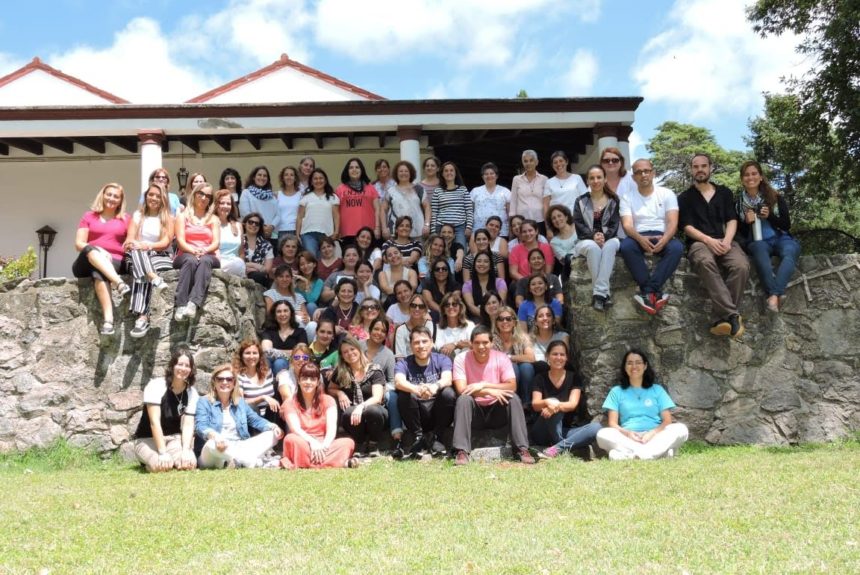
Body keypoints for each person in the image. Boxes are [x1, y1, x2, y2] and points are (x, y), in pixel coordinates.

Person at [679, 153, 750, 338]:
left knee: (741, 266)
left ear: (711, 167)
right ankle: (732, 315)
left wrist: (726, 241)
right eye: (696, 166)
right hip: (699, 242)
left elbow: (732, 220)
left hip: (725, 239)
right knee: (704, 262)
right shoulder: (685, 197)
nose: (700, 169)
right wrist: (709, 241)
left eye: (703, 166)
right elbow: (686, 227)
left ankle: (723, 319)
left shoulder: (724, 192)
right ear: (691, 170)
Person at [451, 326, 536, 465]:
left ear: (491, 343)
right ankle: (461, 451)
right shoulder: (461, 358)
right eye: (477, 343)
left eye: (485, 342)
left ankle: (521, 449)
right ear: (471, 344)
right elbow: (462, 389)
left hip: (497, 411)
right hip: (475, 412)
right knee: (463, 399)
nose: (481, 346)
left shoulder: (501, 358)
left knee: (512, 397)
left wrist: (483, 384)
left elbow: (512, 386)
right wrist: (490, 391)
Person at [596, 349, 689, 460]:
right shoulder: (616, 391)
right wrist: (628, 433)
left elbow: (667, 421)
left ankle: (629, 455)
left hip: (656, 436)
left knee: (681, 429)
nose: (634, 366)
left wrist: (651, 434)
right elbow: (612, 424)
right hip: (628, 437)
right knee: (603, 434)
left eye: (638, 362)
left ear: (645, 366)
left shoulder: (657, 390)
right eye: (629, 363)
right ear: (625, 367)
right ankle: (657, 454)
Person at [618, 159, 684, 315]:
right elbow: (627, 225)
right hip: (638, 236)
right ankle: (654, 292)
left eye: (647, 171)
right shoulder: (627, 197)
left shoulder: (667, 193)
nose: (643, 175)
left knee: (677, 248)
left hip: (662, 234)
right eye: (639, 172)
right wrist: (640, 239)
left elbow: (672, 222)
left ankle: (648, 291)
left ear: (653, 173)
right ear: (633, 177)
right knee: (626, 246)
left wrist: (665, 239)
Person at [734, 160, 800, 312]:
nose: (750, 177)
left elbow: (786, 224)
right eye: (746, 175)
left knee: (791, 251)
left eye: (754, 174)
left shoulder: (775, 197)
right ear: (742, 179)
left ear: (761, 177)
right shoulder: (738, 203)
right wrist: (746, 222)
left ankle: (773, 295)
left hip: (780, 238)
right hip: (758, 242)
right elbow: (739, 232)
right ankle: (776, 294)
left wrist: (769, 216)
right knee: (759, 251)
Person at [195, 363, 283, 469]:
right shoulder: (204, 402)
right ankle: (255, 462)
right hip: (215, 451)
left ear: (234, 383)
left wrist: (273, 426)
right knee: (210, 444)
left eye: (229, 379)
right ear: (214, 382)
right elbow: (201, 426)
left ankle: (239, 462)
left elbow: (255, 420)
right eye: (220, 379)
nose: (224, 382)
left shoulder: (240, 402)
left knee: (272, 434)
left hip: (239, 446)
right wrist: (215, 436)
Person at [73, 182, 131, 336]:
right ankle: (119, 283)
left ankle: (108, 320)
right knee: (90, 250)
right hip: (86, 260)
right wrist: (98, 249)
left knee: (98, 272)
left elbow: (131, 242)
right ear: (103, 195)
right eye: (109, 194)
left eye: (116, 196)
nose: (112, 198)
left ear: (120, 200)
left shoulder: (125, 219)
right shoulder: (89, 216)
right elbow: (79, 244)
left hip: (114, 261)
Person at [531, 341, 601, 458]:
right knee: (554, 410)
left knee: (596, 427)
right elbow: (535, 404)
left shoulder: (574, 377)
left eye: (562, 354)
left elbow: (572, 404)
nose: (558, 357)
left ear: (567, 358)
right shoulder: (540, 378)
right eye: (555, 354)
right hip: (543, 430)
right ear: (547, 356)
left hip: (566, 430)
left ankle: (556, 449)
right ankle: (564, 446)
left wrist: (556, 406)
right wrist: (548, 402)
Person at [133, 348, 198, 472]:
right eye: (179, 364)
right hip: (147, 438)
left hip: (174, 439)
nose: (183, 368)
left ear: (191, 370)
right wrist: (162, 452)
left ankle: (173, 460)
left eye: (187, 366)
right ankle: (152, 460)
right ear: (172, 366)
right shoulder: (156, 386)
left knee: (189, 464)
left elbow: (188, 425)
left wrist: (186, 450)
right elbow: (154, 423)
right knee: (159, 466)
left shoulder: (192, 392)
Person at [395, 326, 457, 458]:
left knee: (448, 393)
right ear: (410, 345)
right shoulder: (404, 363)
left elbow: (447, 379)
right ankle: (418, 437)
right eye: (416, 343)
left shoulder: (442, 359)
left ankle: (437, 436)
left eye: (424, 341)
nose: (421, 346)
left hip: (437, 412)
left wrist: (434, 387)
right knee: (405, 394)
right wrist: (416, 389)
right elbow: (399, 382)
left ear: (432, 342)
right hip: (416, 413)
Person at [281, 362, 357, 469]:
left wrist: (323, 447)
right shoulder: (290, 403)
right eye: (304, 378)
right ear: (299, 381)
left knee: (348, 442)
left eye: (312, 379)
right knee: (290, 439)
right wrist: (312, 443)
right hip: (303, 442)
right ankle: (337, 463)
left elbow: (331, 429)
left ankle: (307, 463)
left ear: (318, 382)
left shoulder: (328, 400)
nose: (308, 382)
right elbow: (295, 429)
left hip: (324, 443)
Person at [124, 182, 173, 338]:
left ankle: (141, 317)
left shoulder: (167, 218)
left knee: (142, 264)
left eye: (158, 196)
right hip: (137, 255)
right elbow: (130, 239)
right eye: (151, 194)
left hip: (160, 256)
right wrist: (138, 246)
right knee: (138, 255)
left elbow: (165, 243)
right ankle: (154, 279)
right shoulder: (138, 216)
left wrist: (147, 245)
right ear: (146, 196)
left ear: (163, 199)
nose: (154, 198)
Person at [328, 336, 388, 456]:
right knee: (348, 413)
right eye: (345, 352)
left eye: (352, 349)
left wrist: (361, 407)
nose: (350, 353)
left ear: (359, 349)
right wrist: (340, 393)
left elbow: (377, 398)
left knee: (372, 411)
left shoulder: (374, 370)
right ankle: (359, 443)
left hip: (375, 409)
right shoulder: (341, 372)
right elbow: (330, 388)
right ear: (342, 356)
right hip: (352, 413)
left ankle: (373, 444)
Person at [573, 165, 622, 310]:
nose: (595, 181)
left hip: (610, 238)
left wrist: (604, 237)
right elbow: (579, 226)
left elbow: (614, 225)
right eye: (592, 178)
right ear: (587, 181)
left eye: (599, 177)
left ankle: (599, 295)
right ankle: (603, 294)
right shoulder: (580, 201)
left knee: (610, 246)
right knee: (593, 248)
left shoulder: (613, 200)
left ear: (605, 179)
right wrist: (594, 236)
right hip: (585, 240)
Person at [173, 182, 220, 322]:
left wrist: (204, 250)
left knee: (205, 261)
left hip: (208, 254)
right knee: (191, 260)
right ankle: (181, 304)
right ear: (195, 195)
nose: (204, 198)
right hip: (186, 253)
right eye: (201, 194)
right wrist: (193, 250)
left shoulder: (214, 219)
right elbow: (180, 241)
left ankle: (193, 303)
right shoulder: (182, 216)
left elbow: (216, 243)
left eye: (208, 196)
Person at [362, 316, 400, 456]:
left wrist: (381, 390)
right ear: (370, 330)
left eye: (383, 331)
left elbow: (391, 381)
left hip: (379, 394)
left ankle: (397, 436)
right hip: (358, 389)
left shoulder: (388, 354)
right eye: (376, 329)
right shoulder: (358, 346)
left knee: (393, 395)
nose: (379, 333)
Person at [492, 305, 536, 406]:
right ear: (496, 323)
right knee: (513, 367)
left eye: (508, 319)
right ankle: (512, 404)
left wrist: (509, 357)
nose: (505, 322)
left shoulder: (522, 337)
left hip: (523, 374)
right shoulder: (492, 340)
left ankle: (526, 405)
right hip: (499, 375)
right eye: (501, 319)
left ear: (514, 322)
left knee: (526, 367)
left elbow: (531, 358)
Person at [234, 339, 281, 427]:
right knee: (252, 407)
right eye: (247, 353)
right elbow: (239, 403)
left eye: (255, 353)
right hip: (251, 419)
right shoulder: (238, 377)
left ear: (259, 356)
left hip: (270, 415)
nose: (251, 356)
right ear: (241, 356)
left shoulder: (267, 372)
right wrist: (262, 397)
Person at [336, 157, 381, 244]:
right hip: (347, 232)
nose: (354, 170)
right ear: (347, 171)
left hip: (367, 232)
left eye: (357, 167)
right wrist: (336, 230)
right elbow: (335, 212)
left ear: (361, 170)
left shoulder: (371, 187)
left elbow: (377, 209)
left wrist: (377, 227)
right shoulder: (339, 189)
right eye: (351, 167)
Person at [296, 167, 339, 257]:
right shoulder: (305, 197)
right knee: (311, 257)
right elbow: (300, 217)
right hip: (308, 234)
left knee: (323, 260)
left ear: (325, 180)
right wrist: (297, 234)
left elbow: (336, 216)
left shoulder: (333, 197)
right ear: (311, 181)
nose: (318, 181)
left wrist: (336, 232)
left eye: (321, 178)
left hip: (326, 235)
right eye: (315, 178)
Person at [382, 160, 430, 240]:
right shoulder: (390, 191)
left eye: (406, 171)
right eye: (401, 171)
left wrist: (427, 224)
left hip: (417, 231)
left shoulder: (419, 189)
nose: (403, 173)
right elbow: (383, 209)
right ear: (396, 174)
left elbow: (427, 207)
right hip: (395, 232)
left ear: (410, 173)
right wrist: (384, 228)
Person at [431, 161, 473, 249]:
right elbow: (434, 212)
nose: (449, 173)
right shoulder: (437, 191)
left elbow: (469, 210)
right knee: (440, 252)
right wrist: (433, 231)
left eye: (451, 170)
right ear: (442, 174)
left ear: (455, 173)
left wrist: (469, 227)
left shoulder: (463, 189)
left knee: (460, 252)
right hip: (441, 227)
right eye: (446, 171)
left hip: (459, 227)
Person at [261, 300, 308, 378]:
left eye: (285, 311)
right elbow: (266, 351)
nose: (282, 314)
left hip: (293, 364)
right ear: (275, 315)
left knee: (279, 362)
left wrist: (276, 352)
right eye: (279, 311)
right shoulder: (269, 331)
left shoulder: (300, 332)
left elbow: (301, 352)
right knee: (265, 360)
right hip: (271, 362)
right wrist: (290, 352)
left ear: (291, 313)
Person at [544, 150, 587, 234]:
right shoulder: (549, 182)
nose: (558, 164)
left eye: (561, 161)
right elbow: (546, 206)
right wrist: (548, 228)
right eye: (555, 162)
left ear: (566, 162)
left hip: (575, 220)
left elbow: (585, 201)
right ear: (552, 165)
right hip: (557, 223)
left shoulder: (576, 178)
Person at [510, 149, 548, 234]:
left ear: (536, 162)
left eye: (531, 160)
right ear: (522, 163)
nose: (528, 163)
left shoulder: (544, 179)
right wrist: (513, 221)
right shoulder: (516, 179)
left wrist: (548, 224)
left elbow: (547, 202)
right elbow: (513, 201)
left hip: (540, 220)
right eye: (525, 161)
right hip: (522, 221)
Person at [263, 265, 310, 333]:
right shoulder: (270, 294)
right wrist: (295, 313)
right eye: (281, 276)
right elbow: (270, 314)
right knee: (297, 319)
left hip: (301, 327)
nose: (284, 279)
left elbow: (306, 315)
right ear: (276, 279)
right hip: (280, 326)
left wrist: (306, 318)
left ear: (291, 279)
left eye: (287, 276)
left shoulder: (299, 296)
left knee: (313, 325)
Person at [462, 251, 507, 320]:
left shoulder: (500, 282)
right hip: (476, 318)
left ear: (490, 265)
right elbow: (470, 306)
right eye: (479, 261)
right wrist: (487, 317)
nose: (482, 264)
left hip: (497, 317)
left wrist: (492, 317)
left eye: (486, 261)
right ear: (474, 265)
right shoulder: (467, 285)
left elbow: (501, 303)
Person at [239, 166, 279, 242]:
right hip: (254, 233)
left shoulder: (272, 196)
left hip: (271, 234)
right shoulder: (246, 193)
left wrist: (271, 227)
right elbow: (245, 213)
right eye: (259, 175)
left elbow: (278, 215)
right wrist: (261, 227)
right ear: (254, 177)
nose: (262, 177)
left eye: (265, 176)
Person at [470, 162, 511, 237]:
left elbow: (510, 213)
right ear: (482, 176)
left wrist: (511, 231)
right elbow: (470, 212)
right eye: (486, 174)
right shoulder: (475, 191)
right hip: (479, 232)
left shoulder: (505, 191)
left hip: (501, 232)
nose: (489, 176)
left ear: (497, 176)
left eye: (492, 173)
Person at [214, 188, 246, 278]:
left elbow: (241, 252)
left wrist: (242, 265)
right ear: (216, 205)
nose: (225, 206)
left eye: (228, 204)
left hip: (237, 265)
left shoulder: (238, 226)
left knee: (239, 263)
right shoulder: (211, 223)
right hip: (217, 264)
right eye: (222, 203)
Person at [394, 293, 436, 359]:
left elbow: (429, 348)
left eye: (421, 306)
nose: (417, 309)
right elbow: (400, 356)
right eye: (413, 305)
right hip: (407, 365)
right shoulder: (401, 329)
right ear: (409, 307)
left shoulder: (429, 324)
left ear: (425, 310)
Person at [435, 292, 475, 358]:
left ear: (460, 308)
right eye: (447, 305)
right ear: (443, 310)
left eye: (454, 304)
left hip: (466, 362)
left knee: (466, 350)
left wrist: (455, 345)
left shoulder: (469, 325)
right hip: (446, 361)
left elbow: (473, 344)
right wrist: (460, 345)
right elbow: (440, 347)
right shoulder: (438, 328)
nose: (451, 307)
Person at [241, 212, 273, 287]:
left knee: (259, 276)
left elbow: (267, 269)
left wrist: (251, 266)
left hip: (258, 277)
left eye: (257, 223)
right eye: (250, 222)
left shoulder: (266, 245)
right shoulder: (238, 240)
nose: (253, 225)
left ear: (260, 227)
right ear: (245, 224)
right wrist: (257, 267)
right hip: (239, 273)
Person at [547, 205, 578, 283]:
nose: (557, 219)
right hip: (573, 270)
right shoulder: (554, 242)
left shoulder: (578, 227)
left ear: (566, 217)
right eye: (553, 218)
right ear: (552, 223)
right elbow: (565, 260)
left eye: (559, 216)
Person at [294, 250, 324, 315]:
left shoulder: (319, 282)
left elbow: (311, 300)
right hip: (296, 309)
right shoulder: (296, 280)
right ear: (299, 268)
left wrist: (306, 283)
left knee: (311, 305)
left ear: (314, 264)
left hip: (311, 310)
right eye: (302, 264)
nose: (306, 266)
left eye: (308, 263)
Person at [275, 165, 302, 238]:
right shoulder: (277, 195)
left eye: (292, 175)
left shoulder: (301, 195)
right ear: (283, 178)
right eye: (286, 175)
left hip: (295, 230)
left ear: (295, 178)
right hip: (280, 230)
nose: (289, 177)